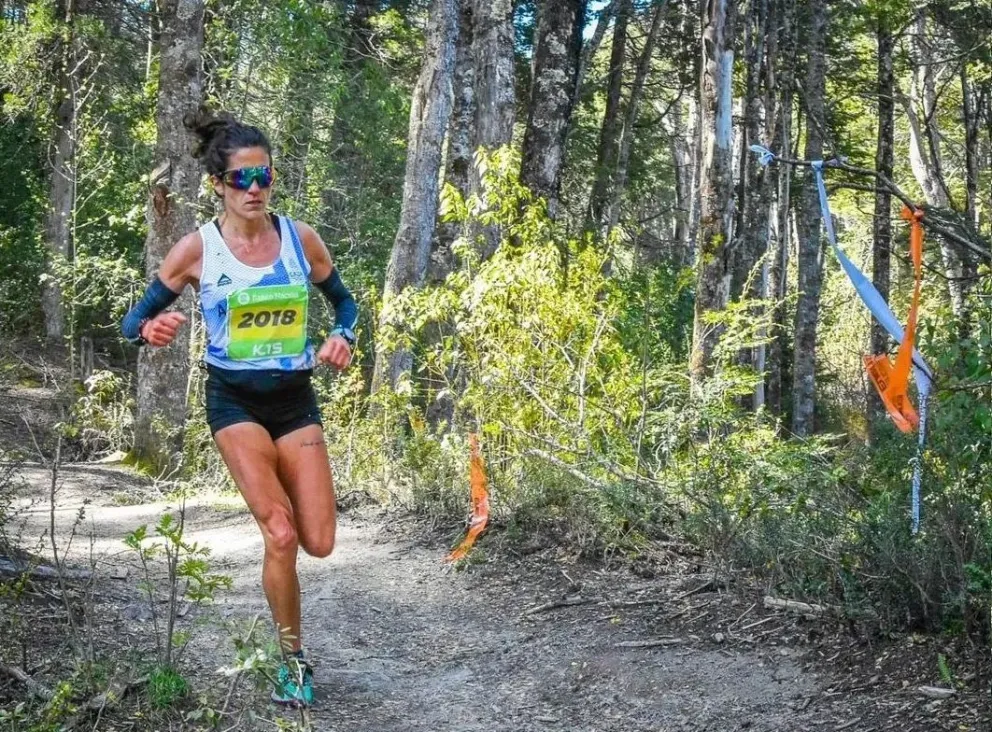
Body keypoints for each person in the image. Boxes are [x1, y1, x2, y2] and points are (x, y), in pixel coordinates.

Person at [121, 110, 358, 707]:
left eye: (264, 178)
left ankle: (287, 508)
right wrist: (150, 330)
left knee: (319, 541)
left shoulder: (300, 240)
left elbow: (347, 305)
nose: (254, 190)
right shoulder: (197, 249)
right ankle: (292, 662)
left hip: (295, 399)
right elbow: (132, 321)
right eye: (240, 180)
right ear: (218, 185)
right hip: (233, 400)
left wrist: (343, 337)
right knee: (279, 532)